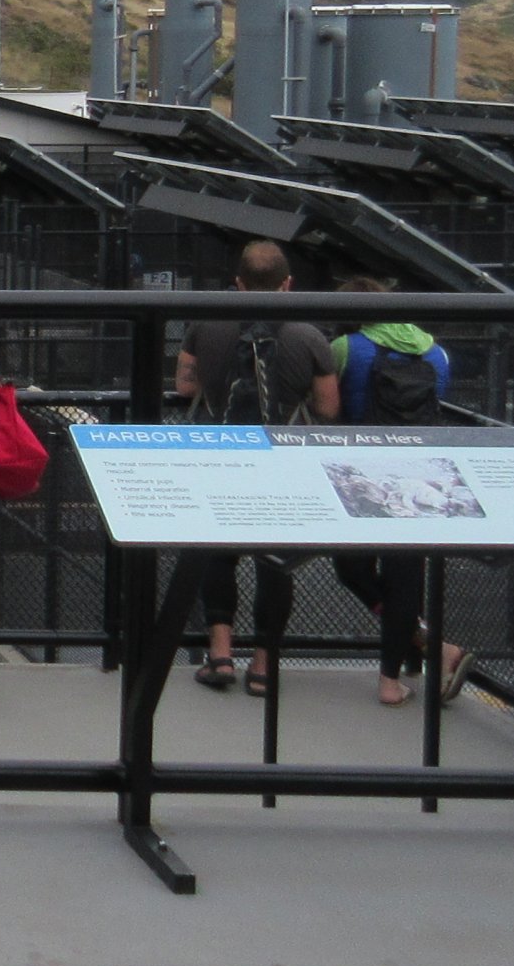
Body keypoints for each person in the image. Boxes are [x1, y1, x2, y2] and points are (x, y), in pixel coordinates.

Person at [173, 239, 337, 697]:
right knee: (275, 564)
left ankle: (220, 654)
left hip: (220, 454)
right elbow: (328, 406)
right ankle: (263, 666)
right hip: (281, 462)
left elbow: (185, 386)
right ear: (288, 284)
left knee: (216, 554)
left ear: (238, 283)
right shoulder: (308, 335)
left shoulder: (206, 324)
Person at [326, 277, 470, 705]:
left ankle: (400, 672)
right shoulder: (436, 352)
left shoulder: (346, 348)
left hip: (358, 471)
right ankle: (428, 650)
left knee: (351, 568)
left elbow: (328, 405)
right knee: (404, 575)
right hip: (422, 471)